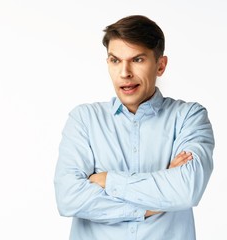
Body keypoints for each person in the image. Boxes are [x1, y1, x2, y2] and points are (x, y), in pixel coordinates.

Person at [54, 15, 214, 240]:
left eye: (137, 60)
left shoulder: (189, 117)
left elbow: (186, 190)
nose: (124, 73)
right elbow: (68, 198)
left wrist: (107, 179)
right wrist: (156, 202)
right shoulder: (84, 120)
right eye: (115, 60)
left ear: (160, 65)